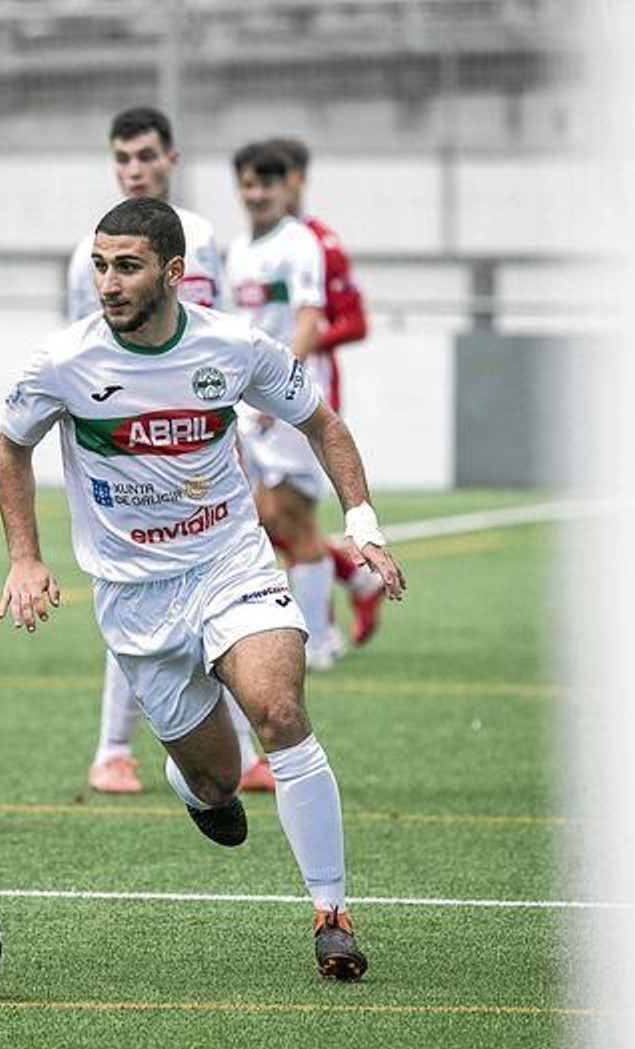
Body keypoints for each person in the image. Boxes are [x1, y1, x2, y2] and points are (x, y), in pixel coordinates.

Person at [0, 197, 404, 979]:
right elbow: (12, 449)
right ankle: (197, 785)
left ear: (175, 273)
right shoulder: (62, 362)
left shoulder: (236, 348)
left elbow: (324, 423)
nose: (108, 284)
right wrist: (25, 555)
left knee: (281, 712)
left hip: (230, 566)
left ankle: (332, 913)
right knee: (215, 778)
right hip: (135, 596)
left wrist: (364, 520)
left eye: (127, 266)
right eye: (101, 266)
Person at [67, 106, 271, 797]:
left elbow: (213, 342)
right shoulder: (86, 257)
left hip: (200, 444)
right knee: (137, 596)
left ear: (172, 159)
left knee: (226, 603)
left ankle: (239, 754)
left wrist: (230, 434)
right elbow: (81, 358)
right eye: (123, 158)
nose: (135, 169)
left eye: (146, 156)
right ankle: (112, 748)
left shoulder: (205, 239)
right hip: (126, 453)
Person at [225, 142, 346, 670]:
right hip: (250, 405)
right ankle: (309, 624)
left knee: (295, 519)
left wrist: (281, 386)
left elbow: (309, 319)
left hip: (286, 402)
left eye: (267, 184)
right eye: (249, 184)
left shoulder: (299, 243)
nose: (257, 194)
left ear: (285, 187)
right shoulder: (238, 251)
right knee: (265, 516)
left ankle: (319, 639)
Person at [263, 136, 387, 646]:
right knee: (266, 515)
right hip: (261, 390)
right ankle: (351, 581)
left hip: (304, 387)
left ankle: (318, 635)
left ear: (299, 181)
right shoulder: (259, 247)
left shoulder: (319, 243)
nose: (270, 190)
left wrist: (303, 342)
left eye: (280, 178)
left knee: (286, 511)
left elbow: (356, 322)